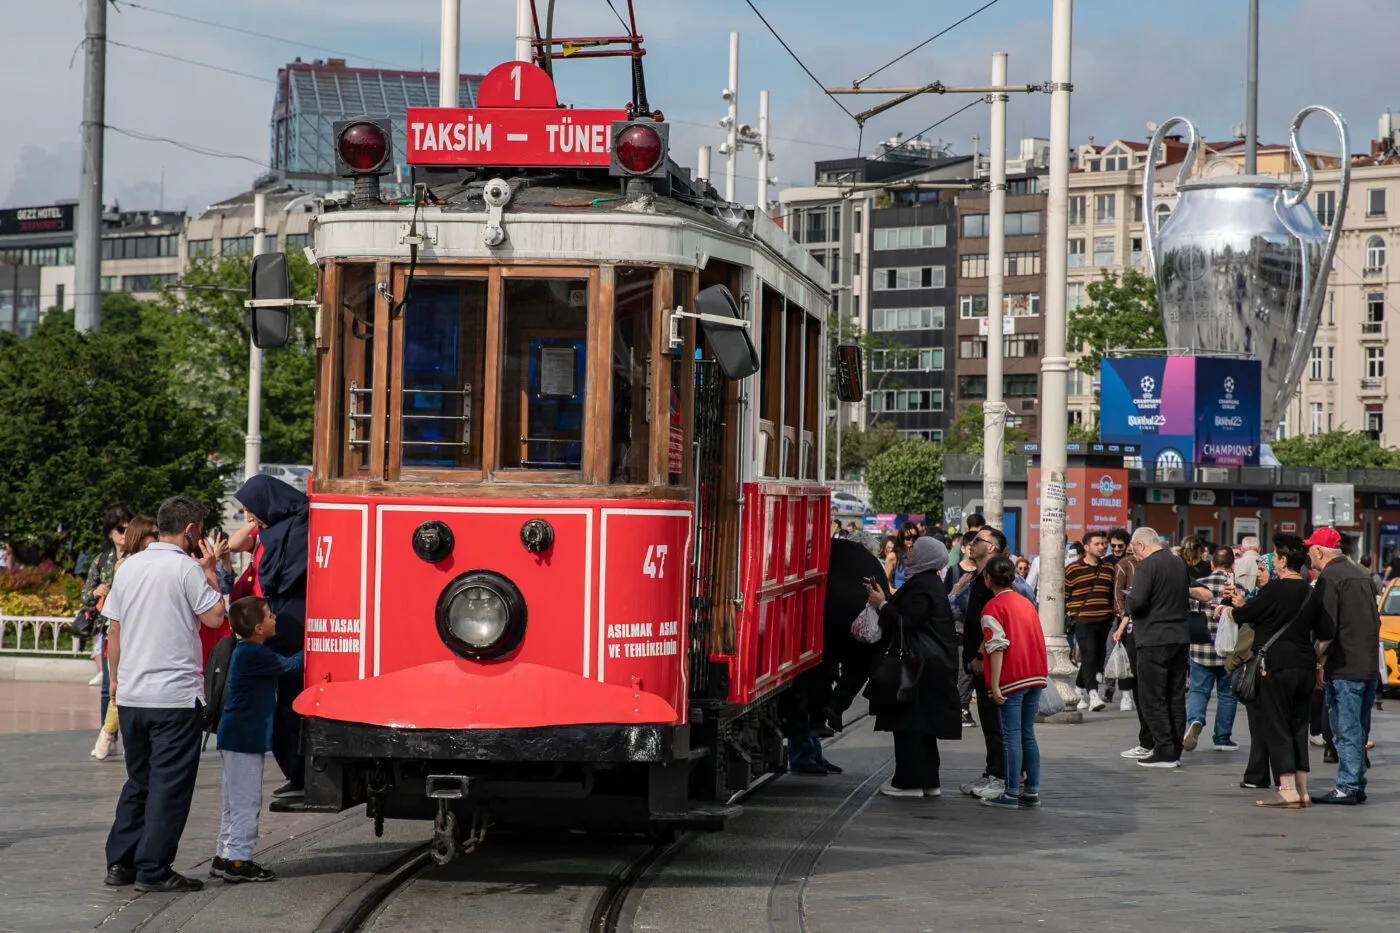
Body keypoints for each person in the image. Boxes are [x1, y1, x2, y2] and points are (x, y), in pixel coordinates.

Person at [103, 496, 228, 892]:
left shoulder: (129, 567)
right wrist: (210, 572)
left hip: (133, 695)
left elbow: (115, 631)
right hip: (173, 698)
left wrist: (116, 681)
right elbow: (215, 616)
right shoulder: (186, 568)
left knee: (139, 781)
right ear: (190, 530)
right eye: (200, 530)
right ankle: (153, 869)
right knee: (168, 787)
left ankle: (120, 863)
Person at [1225, 540, 1333, 808]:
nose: (1273, 560)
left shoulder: (1274, 589)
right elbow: (1327, 632)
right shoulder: (1312, 592)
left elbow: (1243, 615)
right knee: (1299, 725)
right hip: (1305, 666)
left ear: (1284, 561)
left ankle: (1287, 789)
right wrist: (1313, 657)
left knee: (1277, 724)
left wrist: (1233, 606)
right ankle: (1302, 790)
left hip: (1275, 666)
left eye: (1275, 556)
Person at [210, 597, 305, 883]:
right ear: (260, 628)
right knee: (247, 802)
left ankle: (224, 856)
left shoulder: (247, 649)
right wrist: (315, 643)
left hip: (236, 738)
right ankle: (240, 860)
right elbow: (291, 665)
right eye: (270, 615)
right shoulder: (253, 653)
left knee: (233, 802)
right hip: (244, 739)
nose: (276, 618)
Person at [864, 537, 962, 798]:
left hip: (917, 667)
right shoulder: (930, 583)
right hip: (931, 665)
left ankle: (908, 782)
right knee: (924, 727)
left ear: (925, 556)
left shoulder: (921, 586)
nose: (909, 552)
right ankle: (929, 781)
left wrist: (882, 605)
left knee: (908, 725)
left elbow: (908, 622)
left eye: (914, 550)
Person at [233, 477, 310, 800]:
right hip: (279, 626)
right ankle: (298, 772)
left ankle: (303, 773)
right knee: (282, 707)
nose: (250, 517)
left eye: (251, 510)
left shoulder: (302, 526)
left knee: (291, 704)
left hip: (296, 626)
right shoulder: (274, 530)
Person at [957, 527, 1034, 799]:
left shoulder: (995, 582)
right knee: (990, 722)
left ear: (990, 548)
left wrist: (980, 655)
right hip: (981, 662)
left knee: (998, 721)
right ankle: (993, 771)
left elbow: (997, 623)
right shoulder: (979, 579)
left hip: (992, 663)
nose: (971, 543)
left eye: (978, 540)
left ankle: (1003, 776)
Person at [1307, 527, 1382, 804]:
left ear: (1319, 551)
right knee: (1358, 729)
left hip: (1345, 666)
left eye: (1309, 549)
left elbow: (1327, 629)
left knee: (1345, 730)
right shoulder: (1360, 575)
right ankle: (1356, 782)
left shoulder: (1330, 577)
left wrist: (1315, 659)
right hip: (1367, 665)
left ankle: (1347, 786)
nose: (1307, 555)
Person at [977, 555, 1048, 809]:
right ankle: (1032, 790)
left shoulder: (992, 608)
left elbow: (996, 647)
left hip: (1012, 677)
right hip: (1035, 674)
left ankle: (1010, 792)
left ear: (988, 579)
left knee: (1011, 737)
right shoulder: (1026, 603)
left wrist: (994, 685)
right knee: (1027, 734)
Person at [91, 516, 158, 761]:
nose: (156, 539)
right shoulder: (125, 566)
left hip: (143, 638)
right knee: (117, 690)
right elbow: (115, 625)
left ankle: (110, 734)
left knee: (124, 690)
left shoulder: (156, 562)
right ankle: (108, 733)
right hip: (128, 637)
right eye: (152, 534)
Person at [1125, 527, 1191, 768]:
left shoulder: (1146, 567)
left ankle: (1163, 749)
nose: (1136, 556)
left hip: (1153, 638)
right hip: (1179, 637)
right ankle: (1175, 747)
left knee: (1152, 696)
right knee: (1175, 695)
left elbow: (1138, 601)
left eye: (1134, 551)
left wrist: (1128, 601)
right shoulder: (1178, 563)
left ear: (1141, 546)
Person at [1183, 546, 1238, 754]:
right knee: (1227, 695)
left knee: (1198, 690)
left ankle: (1196, 719)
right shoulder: (1237, 588)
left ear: (1212, 564)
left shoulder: (1199, 586)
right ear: (1232, 565)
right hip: (1228, 650)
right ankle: (1223, 737)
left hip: (1200, 648)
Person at [1064, 531, 1117, 712]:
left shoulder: (1109, 568)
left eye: (1104, 543)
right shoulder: (1072, 569)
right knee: (1089, 655)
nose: (1102, 547)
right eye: (1098, 544)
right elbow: (1064, 594)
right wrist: (1068, 612)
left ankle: (1078, 690)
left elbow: (1112, 594)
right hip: (1083, 620)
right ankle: (1093, 694)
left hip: (1104, 620)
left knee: (1096, 658)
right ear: (1086, 547)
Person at [83, 507, 132, 696]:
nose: (125, 534)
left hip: (131, 627)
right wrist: (97, 591)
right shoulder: (102, 560)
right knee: (107, 686)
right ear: (110, 533)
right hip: (107, 628)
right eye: (121, 529)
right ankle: (106, 726)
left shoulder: (138, 558)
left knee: (128, 683)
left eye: (129, 528)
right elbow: (85, 594)